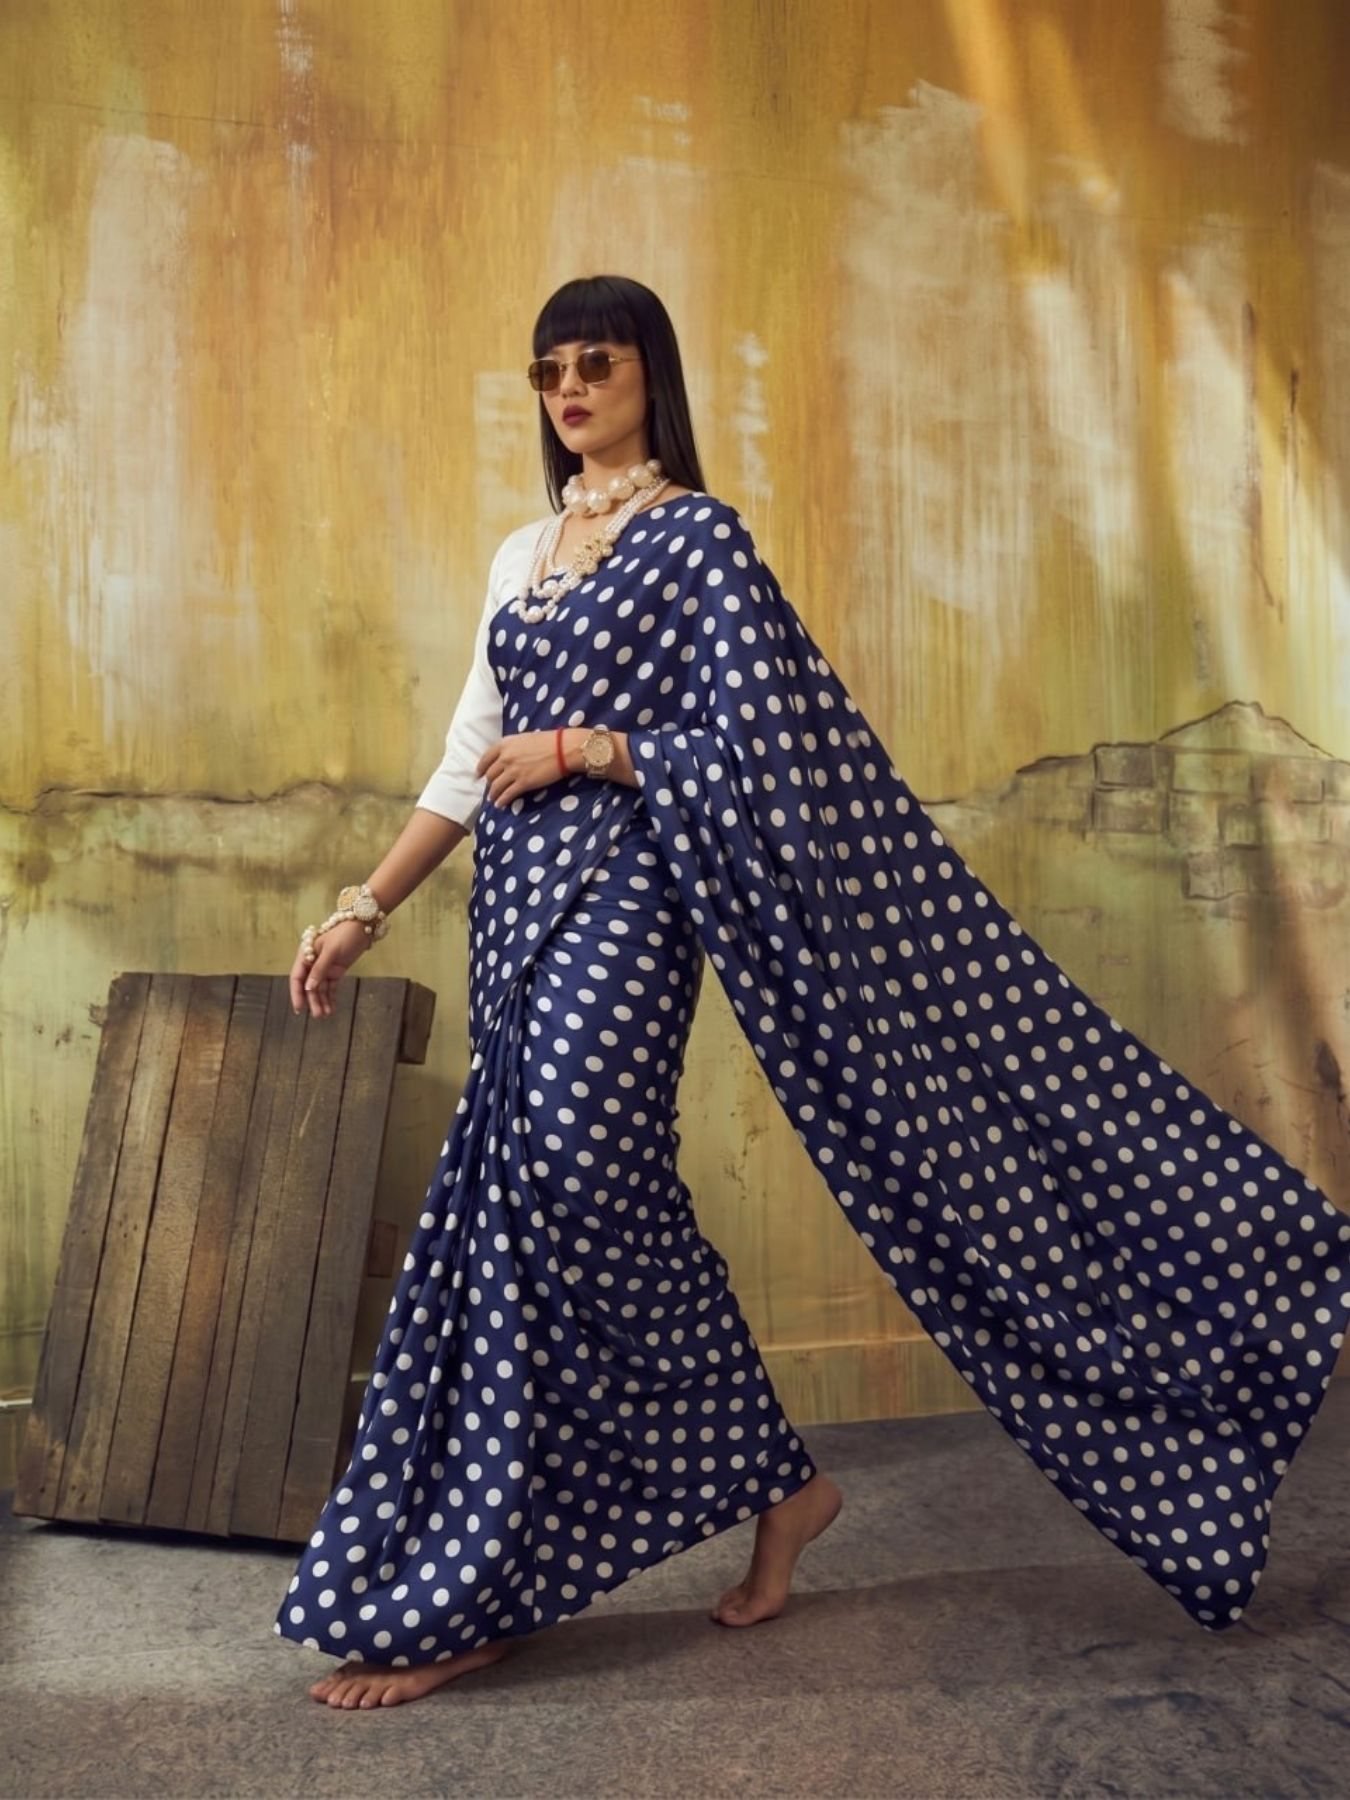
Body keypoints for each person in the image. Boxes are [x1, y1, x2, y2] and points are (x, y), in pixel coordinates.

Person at [276, 274, 1350, 1711]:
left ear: (650, 376)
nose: (571, 390)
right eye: (549, 371)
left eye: (597, 363)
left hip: (633, 893)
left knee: (582, 1172)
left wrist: (598, 750)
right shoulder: (520, 554)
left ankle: (534, 1563)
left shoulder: (700, 539)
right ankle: (768, 1491)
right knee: (545, 1199)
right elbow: (469, 756)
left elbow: (769, 748)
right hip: (514, 907)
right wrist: (361, 909)